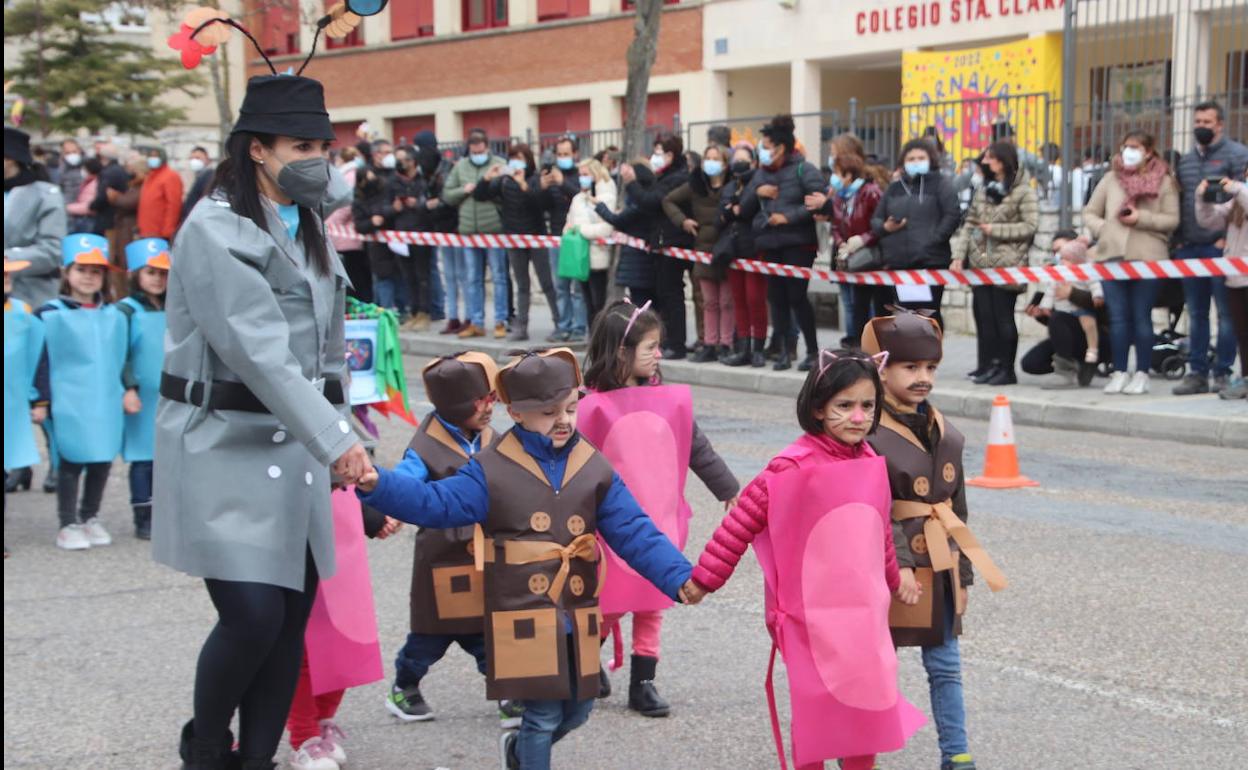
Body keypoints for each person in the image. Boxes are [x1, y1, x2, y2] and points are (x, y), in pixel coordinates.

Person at [152, 72, 371, 770]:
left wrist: (350, 438)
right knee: (251, 616)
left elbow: (324, 354)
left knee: (287, 626)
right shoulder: (216, 229)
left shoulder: (304, 222)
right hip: (225, 442)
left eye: (323, 145)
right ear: (255, 149)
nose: (317, 158)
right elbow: (260, 352)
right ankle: (208, 748)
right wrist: (337, 442)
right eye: (300, 144)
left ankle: (259, 758)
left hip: (298, 446)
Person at [355, 348, 700, 770]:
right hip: (519, 609)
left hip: (576, 610)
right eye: (548, 412)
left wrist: (679, 576)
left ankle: (517, 755)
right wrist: (378, 485)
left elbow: (634, 530)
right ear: (516, 413)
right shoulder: (490, 467)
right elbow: (435, 503)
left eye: (571, 408)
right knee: (540, 714)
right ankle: (528, 754)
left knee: (579, 709)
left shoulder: (590, 464)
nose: (563, 421)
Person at [688, 348, 924, 770]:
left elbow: (878, 531)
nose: (858, 417)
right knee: (816, 708)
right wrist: (705, 579)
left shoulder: (870, 461)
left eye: (867, 406)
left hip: (861, 614)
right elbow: (739, 524)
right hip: (807, 616)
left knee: (866, 702)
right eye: (844, 406)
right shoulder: (790, 467)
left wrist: (895, 577)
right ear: (818, 409)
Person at [863, 309, 1008, 770]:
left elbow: (956, 511)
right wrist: (899, 563)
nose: (923, 377)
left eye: (930, 368)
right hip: (883, 565)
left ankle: (957, 755)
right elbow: (874, 507)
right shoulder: (865, 431)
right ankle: (859, 750)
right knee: (872, 663)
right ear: (879, 369)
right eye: (910, 367)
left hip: (939, 561)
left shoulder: (944, 431)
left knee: (945, 664)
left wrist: (962, 574)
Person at [580, 300, 738, 717]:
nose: (659, 354)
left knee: (652, 598)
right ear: (620, 351)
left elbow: (695, 445)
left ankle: (643, 681)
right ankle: (584, 659)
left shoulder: (664, 398)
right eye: (650, 346)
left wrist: (728, 488)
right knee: (609, 601)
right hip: (610, 524)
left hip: (658, 517)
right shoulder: (588, 403)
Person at [384, 353, 522, 728]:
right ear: (456, 403)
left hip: (483, 557)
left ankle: (509, 692)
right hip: (442, 561)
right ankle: (404, 686)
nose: (490, 406)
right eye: (481, 400)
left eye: (491, 397)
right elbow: (404, 482)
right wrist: (390, 507)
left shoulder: (491, 438)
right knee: (429, 636)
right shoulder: (425, 446)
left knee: (488, 632)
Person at [287, 489, 398, 770]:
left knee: (344, 633)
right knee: (299, 643)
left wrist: (372, 510)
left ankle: (322, 719)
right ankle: (304, 735)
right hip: (287, 512)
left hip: (338, 506)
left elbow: (344, 455)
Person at [34, 233, 131, 551]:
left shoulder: (115, 315)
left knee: (102, 459)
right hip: (67, 401)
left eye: (96, 270)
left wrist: (128, 388)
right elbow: (40, 359)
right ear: (66, 272)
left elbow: (124, 356)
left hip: (104, 398)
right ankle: (68, 522)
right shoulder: (49, 314)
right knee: (70, 461)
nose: (89, 277)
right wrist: (41, 398)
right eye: (81, 269)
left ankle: (90, 516)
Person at [1082, 131, 1180, 395]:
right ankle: (1119, 371)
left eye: (1135, 147)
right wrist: (1106, 229)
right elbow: (1089, 212)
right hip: (1111, 256)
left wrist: (1141, 218)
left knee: (1140, 316)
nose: (1128, 152)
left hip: (1147, 256)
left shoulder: (1164, 181)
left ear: (1148, 151)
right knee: (1118, 318)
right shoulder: (1111, 178)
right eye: (1125, 146)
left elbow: (1171, 220)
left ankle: (1142, 372)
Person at [1172, 101, 1248, 395]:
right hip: (1190, 247)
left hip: (1224, 251)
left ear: (1220, 124)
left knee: (1228, 315)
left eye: (1207, 121)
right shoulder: (1188, 160)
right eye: (1197, 121)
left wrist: (1224, 238)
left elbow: (1237, 201)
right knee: (1197, 312)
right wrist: (1178, 240)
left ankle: (1223, 371)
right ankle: (1197, 372)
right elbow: (1183, 200)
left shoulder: (1238, 154)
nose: (1200, 126)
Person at [740, 115, 826, 371]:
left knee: (797, 296)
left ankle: (812, 351)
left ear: (781, 147)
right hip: (769, 243)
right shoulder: (760, 175)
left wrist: (787, 217)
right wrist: (757, 193)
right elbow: (744, 210)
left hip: (798, 244)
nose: (763, 151)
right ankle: (782, 350)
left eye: (766, 146)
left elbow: (816, 202)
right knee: (776, 297)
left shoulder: (804, 169)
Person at [951, 141, 1039, 386]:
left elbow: (1030, 225)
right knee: (984, 317)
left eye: (991, 158)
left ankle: (1006, 369)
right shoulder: (984, 190)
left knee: (1003, 318)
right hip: (981, 263)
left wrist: (995, 230)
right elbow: (970, 223)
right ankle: (989, 365)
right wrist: (959, 255)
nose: (986, 162)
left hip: (1007, 264)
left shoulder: (1023, 191)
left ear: (1004, 161)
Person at [871, 138, 961, 330]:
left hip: (930, 262)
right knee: (905, 313)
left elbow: (952, 215)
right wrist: (886, 227)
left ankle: (931, 356)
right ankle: (911, 356)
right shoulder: (894, 188)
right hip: (900, 263)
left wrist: (933, 240)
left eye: (921, 157)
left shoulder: (941, 184)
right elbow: (876, 221)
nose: (916, 161)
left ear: (931, 159)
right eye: (911, 158)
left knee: (929, 313)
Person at [808, 133, 885, 346]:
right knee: (849, 302)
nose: (830, 161)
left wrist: (860, 240)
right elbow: (835, 222)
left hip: (866, 256)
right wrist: (841, 242)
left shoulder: (870, 190)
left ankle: (866, 344)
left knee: (863, 303)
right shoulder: (840, 194)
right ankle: (853, 341)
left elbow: (878, 224)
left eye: (834, 155)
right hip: (843, 255)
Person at [477, 142, 557, 342]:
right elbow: (481, 196)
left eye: (520, 158)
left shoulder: (536, 178)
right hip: (514, 238)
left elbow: (542, 204)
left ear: (528, 160)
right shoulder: (504, 180)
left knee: (547, 283)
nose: (516, 163)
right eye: (513, 158)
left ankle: (559, 323)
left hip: (537, 238)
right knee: (522, 285)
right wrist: (486, 179)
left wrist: (524, 185)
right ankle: (521, 327)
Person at [116, 238, 169, 540]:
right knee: (143, 457)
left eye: (163, 273)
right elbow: (120, 353)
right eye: (151, 272)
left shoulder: (174, 307)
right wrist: (129, 388)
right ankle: (143, 515)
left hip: (169, 393)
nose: (158, 279)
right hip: (142, 394)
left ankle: (164, 512)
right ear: (135, 274)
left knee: (167, 457)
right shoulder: (126, 310)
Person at [664, 144, 733, 362]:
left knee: (726, 301)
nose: (710, 163)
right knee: (708, 301)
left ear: (724, 163)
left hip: (728, 248)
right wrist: (682, 221)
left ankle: (727, 344)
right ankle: (710, 344)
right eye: (707, 158)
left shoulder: (733, 185)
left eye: (716, 158)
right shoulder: (695, 185)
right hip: (703, 248)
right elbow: (668, 200)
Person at [442, 128, 508, 339]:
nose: (477, 154)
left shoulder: (498, 164)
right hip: (469, 231)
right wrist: (464, 190)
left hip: (493, 230)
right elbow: (447, 194)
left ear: (487, 148)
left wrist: (487, 185)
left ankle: (500, 321)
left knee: (499, 277)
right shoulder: (460, 167)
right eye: (473, 150)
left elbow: (506, 192)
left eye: (480, 150)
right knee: (473, 278)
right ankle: (476, 321)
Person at [1022, 231, 1107, 389]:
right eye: (1054, 251)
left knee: (1060, 319)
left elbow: (1104, 308)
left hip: (1094, 333)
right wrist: (1041, 314)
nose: (1058, 255)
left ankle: (1067, 371)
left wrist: (1072, 294)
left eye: (1060, 250)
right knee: (1030, 363)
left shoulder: (1092, 268)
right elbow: (1055, 321)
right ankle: (1077, 366)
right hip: (1067, 331)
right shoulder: (1058, 272)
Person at [1196, 170, 1248, 399]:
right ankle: (1246, 377)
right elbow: (1209, 219)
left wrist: (1238, 188)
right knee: (1242, 333)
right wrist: (1203, 198)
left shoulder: (1241, 193)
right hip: (1235, 275)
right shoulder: (1237, 201)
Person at [716, 144, 767, 368]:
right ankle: (743, 347)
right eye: (736, 159)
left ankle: (758, 349)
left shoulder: (759, 183)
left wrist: (736, 207)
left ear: (754, 162)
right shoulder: (730, 186)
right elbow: (723, 213)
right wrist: (732, 209)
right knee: (739, 299)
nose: (739, 163)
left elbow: (746, 210)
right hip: (733, 249)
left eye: (744, 159)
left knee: (755, 299)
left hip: (754, 248)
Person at [5, 127, 67, 309]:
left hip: (29, 295)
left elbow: (52, 250)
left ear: (9, 159)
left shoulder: (45, 194)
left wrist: (7, 259)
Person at [4, 259, 46, 500]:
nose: (7, 278)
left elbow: (37, 356)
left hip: (11, 404)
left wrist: (39, 400)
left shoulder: (23, 312)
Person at [596, 161, 661, 306]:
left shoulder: (640, 202)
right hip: (639, 262)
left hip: (638, 263)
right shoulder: (641, 199)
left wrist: (599, 206)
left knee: (642, 303)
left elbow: (618, 220)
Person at [543, 136, 588, 343]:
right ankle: (563, 325)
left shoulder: (582, 175)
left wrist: (563, 184)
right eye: (559, 154)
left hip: (577, 238)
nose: (562, 158)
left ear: (575, 154)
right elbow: (540, 205)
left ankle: (579, 327)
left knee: (578, 287)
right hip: (556, 238)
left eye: (566, 154)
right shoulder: (551, 176)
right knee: (560, 286)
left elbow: (583, 198)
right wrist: (541, 187)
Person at [564, 158, 617, 327]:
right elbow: (568, 224)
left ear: (595, 174)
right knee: (587, 302)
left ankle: (599, 338)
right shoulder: (578, 198)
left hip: (598, 257)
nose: (582, 178)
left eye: (585, 174)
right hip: (580, 257)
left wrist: (580, 230)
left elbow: (606, 228)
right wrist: (572, 229)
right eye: (580, 175)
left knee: (598, 303)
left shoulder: (606, 196)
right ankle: (591, 338)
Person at [387, 144, 434, 330]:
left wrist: (418, 204)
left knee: (423, 275)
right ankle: (413, 312)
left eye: (404, 160)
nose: (401, 164)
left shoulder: (424, 181)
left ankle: (425, 313)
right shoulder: (393, 182)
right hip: (401, 235)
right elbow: (384, 206)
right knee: (408, 276)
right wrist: (393, 208)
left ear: (413, 161)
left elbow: (433, 205)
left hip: (421, 233)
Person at [352, 167, 402, 313]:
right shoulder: (359, 200)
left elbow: (394, 209)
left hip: (395, 241)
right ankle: (385, 311)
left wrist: (387, 213)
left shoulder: (386, 191)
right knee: (383, 279)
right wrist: (372, 222)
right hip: (376, 247)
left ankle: (400, 309)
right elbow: (359, 225)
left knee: (399, 278)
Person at [326, 147, 372, 303]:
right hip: (346, 234)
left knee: (356, 279)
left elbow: (346, 204)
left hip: (347, 236)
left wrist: (331, 223)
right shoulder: (349, 173)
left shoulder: (348, 175)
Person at [65, 157, 101, 234]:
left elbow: (88, 205)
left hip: (87, 219)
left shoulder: (94, 184)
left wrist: (68, 208)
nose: (82, 171)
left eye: (84, 169)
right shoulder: (89, 182)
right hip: (83, 218)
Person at [181, 146, 215, 223]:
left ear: (207, 159)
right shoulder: (190, 175)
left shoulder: (210, 176)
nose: (194, 161)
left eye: (198, 158)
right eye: (192, 158)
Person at [57, 139, 86, 205]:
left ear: (79, 150)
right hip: (69, 204)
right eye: (68, 153)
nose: (71, 155)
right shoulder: (61, 168)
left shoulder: (88, 164)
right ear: (63, 153)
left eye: (74, 152)